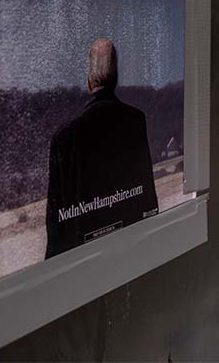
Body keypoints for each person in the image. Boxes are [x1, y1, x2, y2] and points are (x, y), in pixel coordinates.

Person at [45, 38, 159, 258]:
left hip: (83, 262)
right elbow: (146, 195)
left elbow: (55, 223)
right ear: (116, 79)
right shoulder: (135, 121)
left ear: (89, 82)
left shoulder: (64, 137)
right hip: (130, 251)